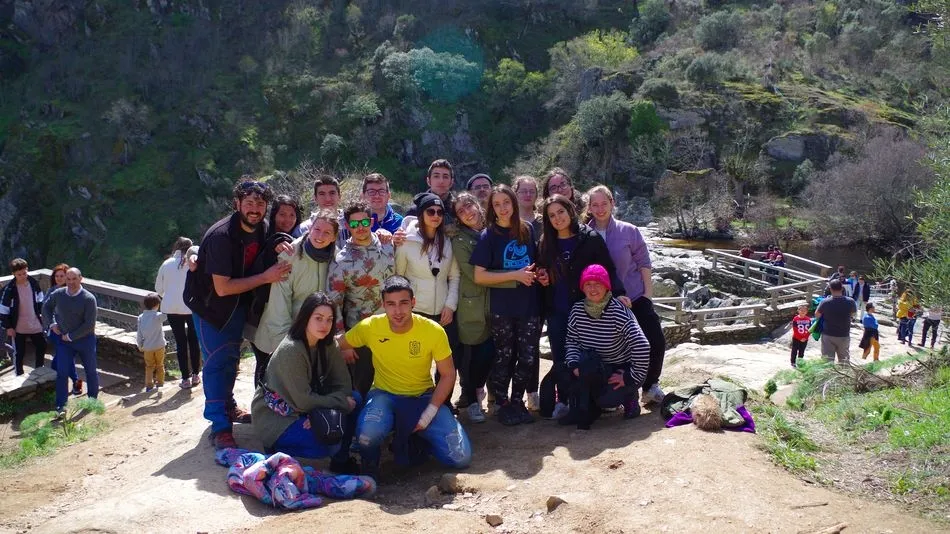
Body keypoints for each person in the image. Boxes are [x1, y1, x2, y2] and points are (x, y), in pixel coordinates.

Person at [184, 177, 293, 449]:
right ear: (237, 204)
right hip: (211, 307)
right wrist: (266, 277)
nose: (255, 209)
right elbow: (222, 288)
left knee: (231, 358)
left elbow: (272, 243)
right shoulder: (222, 236)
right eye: (249, 203)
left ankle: (228, 406)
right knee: (216, 362)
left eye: (260, 203)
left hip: (238, 306)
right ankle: (220, 427)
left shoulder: (262, 228)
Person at [337, 276, 472, 480]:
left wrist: (428, 415)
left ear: (413, 303)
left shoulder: (433, 330)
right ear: (383, 305)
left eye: (403, 303)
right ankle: (370, 465)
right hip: (385, 395)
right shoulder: (370, 326)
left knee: (461, 458)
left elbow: (448, 374)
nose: (398, 311)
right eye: (391, 304)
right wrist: (342, 349)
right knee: (366, 437)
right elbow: (337, 344)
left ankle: (418, 442)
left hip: (422, 397)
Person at [536, 194, 628, 416]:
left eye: (561, 212)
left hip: (585, 308)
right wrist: (541, 275)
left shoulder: (590, 238)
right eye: (552, 215)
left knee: (589, 354)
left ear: (570, 211)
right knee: (561, 356)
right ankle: (564, 399)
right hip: (556, 308)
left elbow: (607, 269)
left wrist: (619, 293)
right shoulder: (546, 242)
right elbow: (540, 268)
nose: (557, 218)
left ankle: (593, 400)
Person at [251, 292, 362, 473]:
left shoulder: (328, 344)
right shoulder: (291, 349)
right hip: (280, 416)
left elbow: (343, 384)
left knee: (355, 399)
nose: (324, 325)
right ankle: (276, 450)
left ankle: (340, 461)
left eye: (329, 320)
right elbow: (303, 401)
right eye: (318, 318)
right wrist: (337, 404)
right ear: (305, 317)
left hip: (309, 404)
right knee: (326, 446)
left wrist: (321, 412)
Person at [586, 185, 668, 405]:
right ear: (589, 207)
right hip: (601, 302)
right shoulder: (584, 233)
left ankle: (650, 386)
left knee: (655, 340)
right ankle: (615, 394)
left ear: (612, 203)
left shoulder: (629, 230)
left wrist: (648, 295)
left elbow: (643, 262)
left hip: (634, 297)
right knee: (612, 349)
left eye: (604, 203)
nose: (600, 209)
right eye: (595, 205)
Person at [471, 184, 541, 426]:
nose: (502, 208)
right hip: (502, 307)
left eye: (506, 203)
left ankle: (518, 401)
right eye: (497, 204)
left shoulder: (527, 229)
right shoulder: (488, 236)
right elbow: (479, 276)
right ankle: (502, 402)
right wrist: (515, 275)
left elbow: (533, 264)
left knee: (528, 357)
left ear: (514, 203)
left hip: (529, 304)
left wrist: (539, 274)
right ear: (491, 208)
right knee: (504, 356)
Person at [254, 210, 340, 386]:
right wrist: (284, 345)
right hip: (284, 333)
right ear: (310, 228)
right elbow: (279, 304)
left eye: (327, 232)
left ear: (334, 237)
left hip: (317, 334)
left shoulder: (337, 259)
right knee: (271, 387)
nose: (320, 236)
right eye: (317, 230)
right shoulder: (290, 255)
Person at [561, 265, 650, 430]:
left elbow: (642, 345)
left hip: (619, 367)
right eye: (588, 284)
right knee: (564, 375)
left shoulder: (618, 311)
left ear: (606, 286)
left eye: (598, 284)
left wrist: (630, 376)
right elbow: (572, 341)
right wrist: (574, 365)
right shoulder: (577, 310)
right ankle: (586, 407)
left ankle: (630, 397)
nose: (592, 289)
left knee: (606, 400)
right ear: (582, 288)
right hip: (593, 365)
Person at [395, 193, 461, 403]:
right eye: (430, 211)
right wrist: (406, 309)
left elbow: (454, 276)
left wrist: (450, 306)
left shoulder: (447, 242)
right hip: (416, 311)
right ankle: (415, 401)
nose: (435, 216)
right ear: (421, 214)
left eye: (440, 212)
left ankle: (443, 403)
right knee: (415, 361)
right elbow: (399, 277)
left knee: (447, 361)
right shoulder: (406, 241)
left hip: (443, 312)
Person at [328, 202, 395, 397]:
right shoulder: (341, 261)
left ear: (372, 222)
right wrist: (343, 344)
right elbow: (335, 304)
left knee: (392, 384)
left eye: (364, 222)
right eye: (354, 224)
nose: (360, 228)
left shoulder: (387, 245)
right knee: (360, 387)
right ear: (347, 226)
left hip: (392, 327)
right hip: (360, 333)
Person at [450, 192, 496, 423]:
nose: (467, 212)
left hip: (495, 302)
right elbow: (474, 275)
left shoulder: (493, 230)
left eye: (468, 205)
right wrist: (516, 277)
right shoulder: (459, 240)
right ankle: (472, 401)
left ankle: (483, 393)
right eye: (460, 211)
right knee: (471, 357)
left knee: (490, 353)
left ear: (477, 205)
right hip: (471, 305)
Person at [42, 267, 99, 416]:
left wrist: (70, 336)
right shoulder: (58, 294)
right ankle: (61, 406)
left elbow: (89, 324)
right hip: (64, 342)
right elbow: (46, 307)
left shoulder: (88, 299)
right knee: (62, 372)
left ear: (81, 279)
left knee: (91, 371)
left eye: (74, 279)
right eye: (68, 279)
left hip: (85, 340)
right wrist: (51, 324)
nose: (71, 282)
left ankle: (92, 401)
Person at [156, 237, 201, 389]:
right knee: (194, 340)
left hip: (172, 308)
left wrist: (170, 296)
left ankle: (185, 378)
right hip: (191, 307)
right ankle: (196, 374)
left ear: (176, 247)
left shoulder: (166, 264)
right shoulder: (194, 263)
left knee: (180, 342)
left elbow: (159, 289)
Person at [1, 258, 47, 376]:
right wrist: (8, 327)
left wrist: (41, 313)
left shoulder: (33, 283)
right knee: (19, 353)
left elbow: (40, 298)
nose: (22, 276)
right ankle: (19, 375)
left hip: (34, 322)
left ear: (27, 270)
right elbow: (3, 310)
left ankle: (39, 370)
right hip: (18, 326)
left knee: (42, 345)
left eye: (24, 273)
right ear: (14, 274)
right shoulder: (9, 289)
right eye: (19, 274)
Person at [49, 263, 82, 394]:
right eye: (56, 276)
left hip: (71, 332)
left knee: (60, 360)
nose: (59, 278)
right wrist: (52, 324)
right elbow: (46, 309)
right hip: (56, 332)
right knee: (65, 358)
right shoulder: (52, 291)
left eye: (62, 276)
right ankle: (74, 383)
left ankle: (67, 384)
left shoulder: (74, 292)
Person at [405, 159, 458, 236]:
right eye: (436, 176)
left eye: (445, 177)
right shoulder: (415, 210)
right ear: (428, 181)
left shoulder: (459, 209)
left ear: (451, 182)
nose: (441, 181)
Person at [815, 280, 856, 364]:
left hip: (828, 334)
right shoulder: (851, 301)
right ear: (842, 288)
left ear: (830, 289)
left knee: (827, 361)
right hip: (844, 334)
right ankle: (844, 372)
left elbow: (817, 315)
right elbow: (853, 314)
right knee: (844, 361)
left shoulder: (825, 302)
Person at [136, 293, 167, 392]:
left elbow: (139, 333)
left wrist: (140, 345)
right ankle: (160, 383)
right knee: (160, 365)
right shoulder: (158, 316)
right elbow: (166, 315)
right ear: (157, 305)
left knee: (149, 366)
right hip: (159, 345)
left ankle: (149, 385)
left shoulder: (141, 317)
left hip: (147, 347)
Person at [513, 175, 543, 239]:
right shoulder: (508, 221)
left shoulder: (544, 221)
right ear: (516, 194)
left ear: (536, 196)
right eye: (523, 191)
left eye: (532, 192)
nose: (528, 194)